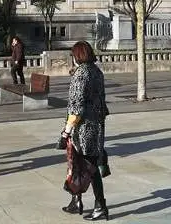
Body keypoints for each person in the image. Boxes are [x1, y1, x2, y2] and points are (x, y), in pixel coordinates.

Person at [60, 41, 110, 221]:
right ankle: (76, 201)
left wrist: (66, 131)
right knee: (79, 165)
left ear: (77, 55)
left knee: (89, 167)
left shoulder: (80, 74)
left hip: (83, 128)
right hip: (96, 125)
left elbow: (76, 107)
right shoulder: (97, 71)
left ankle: (100, 206)